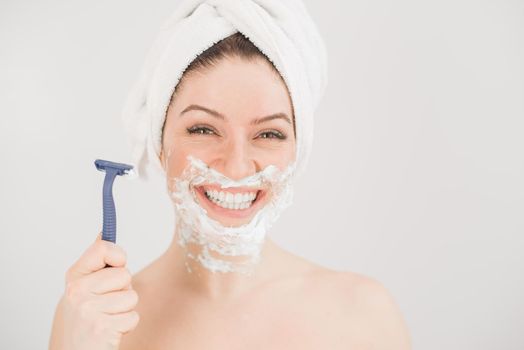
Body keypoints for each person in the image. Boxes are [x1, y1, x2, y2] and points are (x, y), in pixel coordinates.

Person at [49, 3, 411, 349]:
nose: (236, 168)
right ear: (160, 143)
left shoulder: (365, 316)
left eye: (269, 134)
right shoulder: (94, 320)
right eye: (204, 129)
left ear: (297, 152)